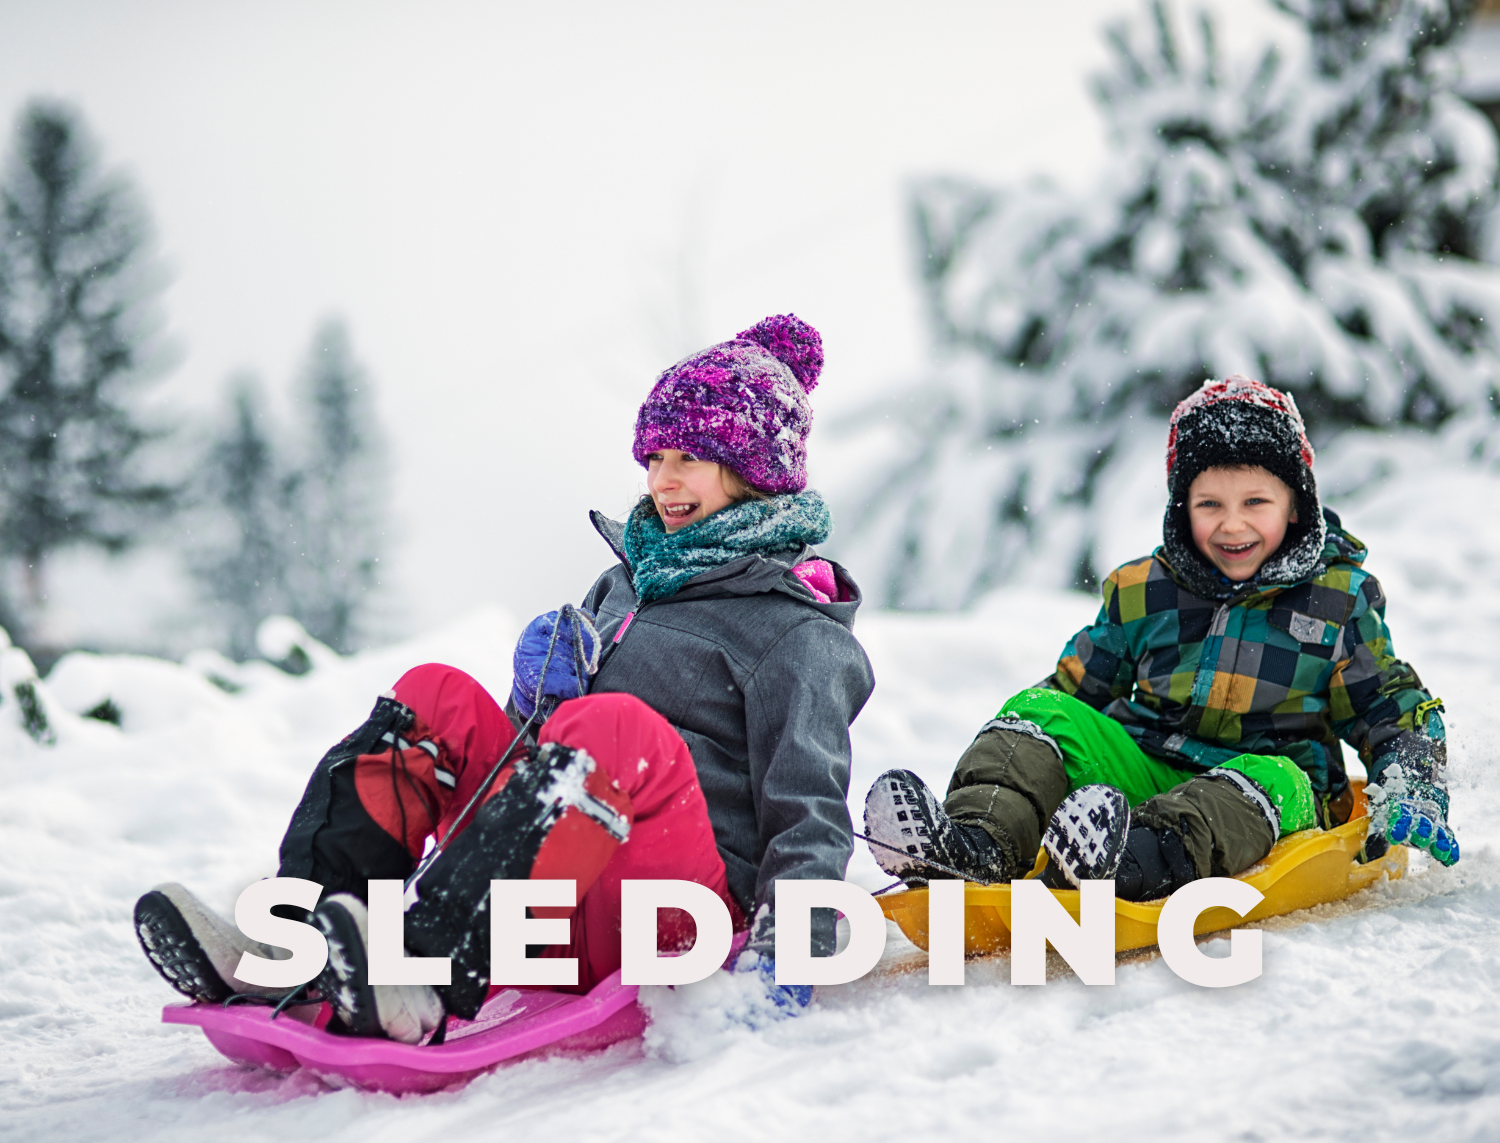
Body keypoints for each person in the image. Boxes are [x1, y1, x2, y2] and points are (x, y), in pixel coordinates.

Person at [135, 314, 874, 1041]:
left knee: (616, 726)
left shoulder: (796, 632)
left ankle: (428, 972)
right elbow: (548, 750)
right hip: (559, 893)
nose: (662, 481)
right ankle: (300, 942)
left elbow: (807, 814)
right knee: (435, 695)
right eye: (652, 459)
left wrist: (786, 965)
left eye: (687, 459)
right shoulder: (623, 586)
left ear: (751, 472)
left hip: (675, 922)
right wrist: (537, 701)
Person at [863, 376, 1458, 901]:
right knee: (1040, 711)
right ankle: (974, 847)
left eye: (1256, 501)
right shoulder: (1144, 590)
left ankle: (1123, 865)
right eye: (1210, 504)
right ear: (1182, 508)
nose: (1232, 523)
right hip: (1150, 767)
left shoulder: (1336, 599)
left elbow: (1389, 706)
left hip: (1276, 796)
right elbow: (1076, 694)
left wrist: (1413, 778)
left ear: (1296, 506)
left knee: (1268, 779)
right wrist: (1037, 752)